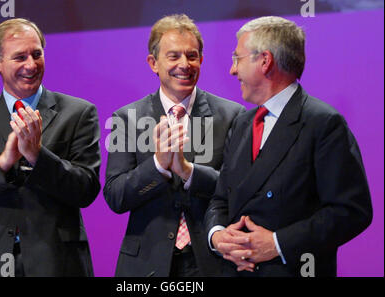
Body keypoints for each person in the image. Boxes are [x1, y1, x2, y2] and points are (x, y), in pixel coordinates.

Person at [205, 16, 373, 277]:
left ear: (265, 61)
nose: (232, 70)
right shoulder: (242, 124)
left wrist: (278, 243)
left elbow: (351, 211)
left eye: (237, 58)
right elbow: (220, 198)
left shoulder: (322, 123)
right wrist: (218, 236)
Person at [0, 18, 101, 276]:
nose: (31, 65)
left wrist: (38, 156)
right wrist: (2, 163)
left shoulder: (78, 113)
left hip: (56, 262)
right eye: (20, 57)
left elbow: (85, 189)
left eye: (37, 54)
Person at [104, 14, 245, 277]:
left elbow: (237, 189)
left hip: (211, 262)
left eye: (192, 56)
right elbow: (116, 196)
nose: (185, 64)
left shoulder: (232, 116)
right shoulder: (126, 118)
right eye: (174, 56)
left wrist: (188, 171)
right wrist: (157, 165)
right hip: (146, 264)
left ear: (201, 60)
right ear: (153, 63)